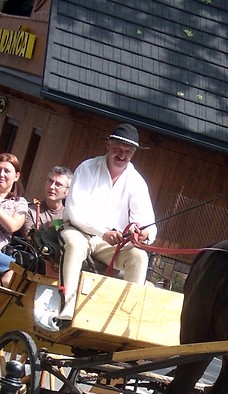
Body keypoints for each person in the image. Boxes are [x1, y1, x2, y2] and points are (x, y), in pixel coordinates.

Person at [57, 123, 157, 322]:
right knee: (75, 245)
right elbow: (76, 213)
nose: (122, 155)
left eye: (128, 152)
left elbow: (148, 223)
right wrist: (103, 232)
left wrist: (144, 234)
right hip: (79, 231)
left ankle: (126, 318)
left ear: (134, 153)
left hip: (110, 243)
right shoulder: (87, 168)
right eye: (118, 149)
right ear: (108, 146)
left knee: (139, 257)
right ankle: (66, 306)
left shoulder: (136, 181)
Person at [0, 153, 29, 286]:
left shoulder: (19, 202)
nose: (1, 174)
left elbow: (13, 226)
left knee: (14, 270)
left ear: (16, 176)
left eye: (7, 171)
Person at [22, 166, 73, 235]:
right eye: (50, 181)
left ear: (67, 191)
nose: (51, 187)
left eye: (58, 184)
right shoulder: (30, 210)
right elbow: (31, 240)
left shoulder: (69, 217)